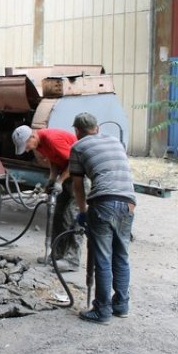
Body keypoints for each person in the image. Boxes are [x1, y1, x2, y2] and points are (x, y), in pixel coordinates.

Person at [69, 112, 136, 324]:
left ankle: (102, 310)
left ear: (77, 131)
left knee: (103, 258)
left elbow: (78, 186)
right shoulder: (115, 141)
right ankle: (121, 305)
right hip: (128, 202)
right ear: (97, 128)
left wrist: (82, 212)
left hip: (104, 203)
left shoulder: (78, 147)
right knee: (121, 254)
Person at [12, 124, 82, 270]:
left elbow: (75, 162)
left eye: (26, 146)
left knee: (72, 217)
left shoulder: (52, 139)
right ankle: (56, 254)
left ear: (32, 136)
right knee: (57, 215)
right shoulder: (40, 144)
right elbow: (55, 160)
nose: (27, 149)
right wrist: (52, 180)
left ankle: (72, 260)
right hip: (67, 172)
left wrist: (61, 181)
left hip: (80, 175)